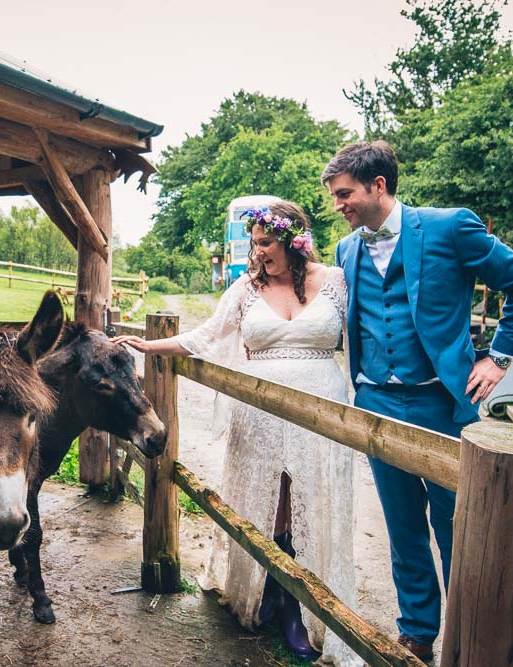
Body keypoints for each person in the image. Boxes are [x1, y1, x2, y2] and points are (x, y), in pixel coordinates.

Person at [322, 141, 513, 661]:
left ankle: (468, 637)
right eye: (335, 196)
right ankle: (417, 634)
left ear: (378, 185)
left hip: (442, 403)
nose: (338, 205)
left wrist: (498, 358)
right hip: (376, 403)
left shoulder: (450, 227)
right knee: (402, 527)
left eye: (345, 194)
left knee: (456, 525)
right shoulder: (346, 250)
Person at [113, 201, 358, 666]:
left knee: (309, 501)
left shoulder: (335, 281)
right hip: (261, 414)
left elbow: (363, 337)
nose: (258, 251)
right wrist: (147, 345)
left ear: (293, 240)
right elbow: (204, 336)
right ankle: (276, 593)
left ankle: (302, 604)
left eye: (266, 242)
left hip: (321, 412)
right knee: (274, 502)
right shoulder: (247, 288)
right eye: (255, 243)